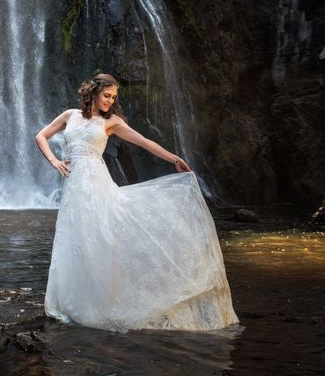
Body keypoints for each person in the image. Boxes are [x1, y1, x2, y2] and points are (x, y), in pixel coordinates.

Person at [34, 73, 239, 332]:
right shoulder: (69, 115)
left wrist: (173, 158)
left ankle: (106, 300)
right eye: (107, 95)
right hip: (73, 190)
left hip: (97, 185)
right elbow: (41, 135)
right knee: (74, 240)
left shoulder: (112, 122)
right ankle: (71, 302)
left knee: (102, 238)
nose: (110, 100)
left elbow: (144, 142)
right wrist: (54, 161)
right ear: (94, 92)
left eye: (114, 97)